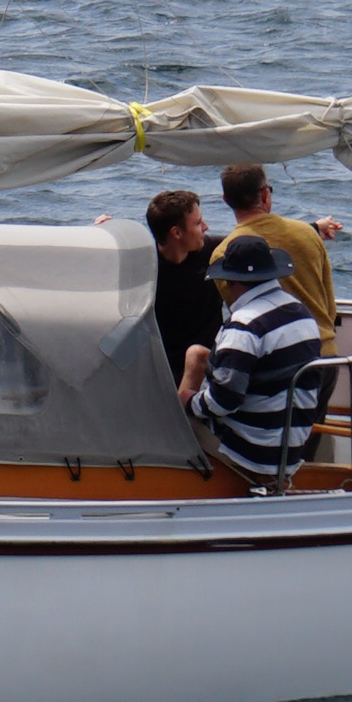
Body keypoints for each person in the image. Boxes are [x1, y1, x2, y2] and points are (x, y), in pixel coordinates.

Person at [182, 233, 331, 488]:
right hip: (291, 445)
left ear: (231, 281)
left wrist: (189, 402)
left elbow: (224, 401)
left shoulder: (245, 325)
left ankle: (176, 484)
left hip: (255, 453)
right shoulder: (302, 314)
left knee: (181, 421)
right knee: (196, 354)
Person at [220, 158, 339, 339]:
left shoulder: (222, 255)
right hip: (323, 346)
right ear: (265, 195)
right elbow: (329, 307)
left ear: (225, 200)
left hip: (268, 354)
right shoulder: (308, 233)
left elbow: (241, 314)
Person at [145, 187, 223, 377]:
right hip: (165, 370)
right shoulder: (145, 266)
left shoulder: (216, 251)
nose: (206, 227)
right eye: (198, 223)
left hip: (212, 364)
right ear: (177, 233)